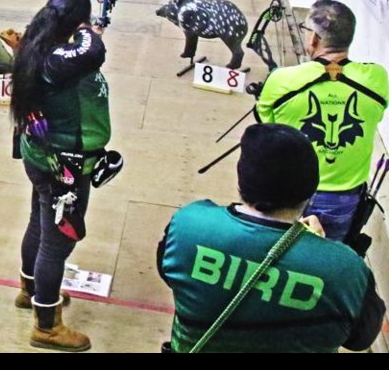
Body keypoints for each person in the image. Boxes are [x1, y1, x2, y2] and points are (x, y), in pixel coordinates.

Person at [158, 123, 385, 353]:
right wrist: (320, 250)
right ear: (311, 192)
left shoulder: (188, 225)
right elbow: (361, 339)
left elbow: (170, 273)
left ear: (241, 181)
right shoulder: (345, 270)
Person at [10, 0, 113, 352]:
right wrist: (88, 28)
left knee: (39, 222)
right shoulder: (55, 60)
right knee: (58, 242)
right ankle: (46, 324)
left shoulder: (37, 44)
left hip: (44, 159)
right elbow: (93, 51)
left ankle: (30, 289)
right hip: (62, 168)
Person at [255, 0, 388, 242]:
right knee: (325, 262)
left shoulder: (281, 80)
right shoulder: (377, 79)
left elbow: (268, 125)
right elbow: (377, 112)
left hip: (289, 191)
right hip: (343, 198)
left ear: (314, 39)